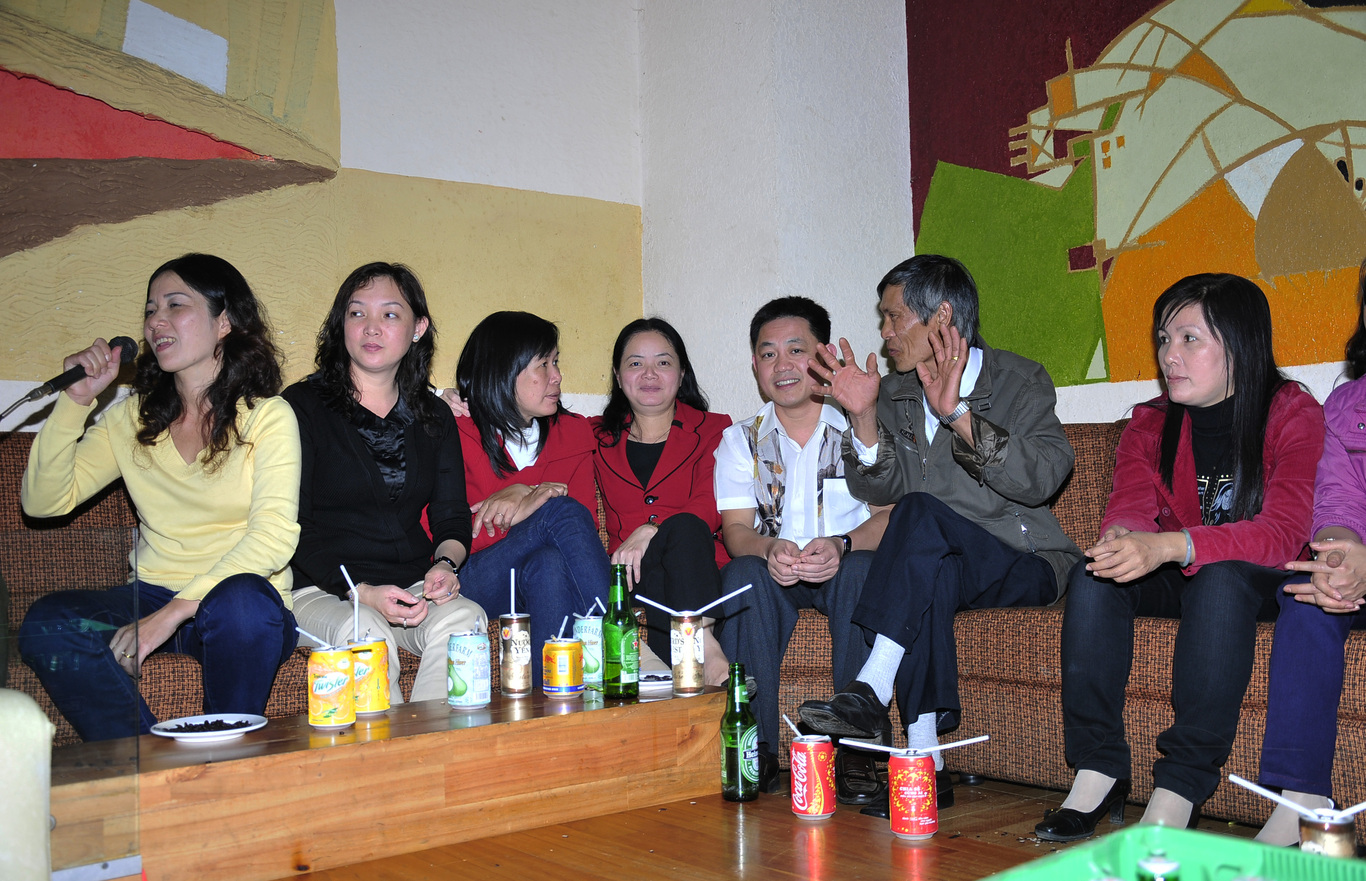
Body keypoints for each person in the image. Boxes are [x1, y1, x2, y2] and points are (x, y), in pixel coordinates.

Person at [1036, 273, 1323, 842]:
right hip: (1184, 573)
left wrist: (1172, 544)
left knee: (1219, 580)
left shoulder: (1292, 412)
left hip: (1266, 583)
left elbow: (1284, 532)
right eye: (1165, 339)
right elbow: (1131, 507)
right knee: (1092, 577)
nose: (1170, 355)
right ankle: (1097, 768)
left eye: (1190, 339)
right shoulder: (1150, 422)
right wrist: (1122, 539)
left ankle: (1181, 787)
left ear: (1239, 345)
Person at [796, 255, 1079, 810]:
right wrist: (863, 417)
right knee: (929, 566)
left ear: (942, 316)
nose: (885, 331)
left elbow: (1044, 478)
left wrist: (958, 417)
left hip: (1024, 558)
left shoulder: (1019, 380)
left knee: (920, 515)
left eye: (894, 316)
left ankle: (872, 685)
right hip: (943, 559)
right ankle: (926, 764)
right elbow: (880, 488)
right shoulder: (897, 393)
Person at [18, 253, 301, 741]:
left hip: (238, 605)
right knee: (48, 622)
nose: (156, 321)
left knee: (243, 603)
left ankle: (224, 753)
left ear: (224, 322)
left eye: (176, 305)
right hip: (148, 593)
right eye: (150, 309)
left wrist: (171, 615)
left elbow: (273, 537)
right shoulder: (131, 419)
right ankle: (152, 764)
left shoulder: (267, 416)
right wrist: (76, 401)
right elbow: (43, 503)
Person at [715, 297, 891, 802]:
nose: (782, 365)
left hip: (846, 564)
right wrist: (769, 548)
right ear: (755, 365)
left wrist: (841, 545)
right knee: (742, 576)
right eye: (768, 354)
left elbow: (892, 515)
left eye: (796, 350)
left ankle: (857, 750)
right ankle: (757, 748)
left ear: (823, 355)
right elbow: (736, 531)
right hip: (777, 575)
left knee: (862, 571)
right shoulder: (740, 440)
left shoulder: (861, 427)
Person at [284, 263, 486, 703]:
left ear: (418, 328)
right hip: (321, 589)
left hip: (408, 587)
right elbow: (291, 524)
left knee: (465, 619)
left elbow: (451, 514)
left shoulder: (433, 415)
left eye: (390, 314)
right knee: (366, 630)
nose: (371, 327)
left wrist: (445, 566)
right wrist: (362, 593)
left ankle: (433, 740)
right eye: (357, 313)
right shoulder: (300, 407)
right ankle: (383, 747)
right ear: (341, 325)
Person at [1255, 258, 1366, 845]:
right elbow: (1337, 496)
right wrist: (1341, 552)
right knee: (1304, 595)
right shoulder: (1348, 404)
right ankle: (1301, 802)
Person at [451, 311, 609, 685]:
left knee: (549, 563)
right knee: (558, 512)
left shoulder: (573, 433)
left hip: (540, 574)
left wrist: (524, 495)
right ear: (504, 371)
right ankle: (619, 642)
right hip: (473, 578)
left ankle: (554, 699)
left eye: (556, 362)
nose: (557, 376)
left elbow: (581, 536)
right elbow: (437, 534)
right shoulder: (454, 432)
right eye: (543, 364)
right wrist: (523, 510)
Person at [591, 318, 732, 685]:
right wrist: (460, 401)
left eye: (663, 362)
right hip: (631, 575)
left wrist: (652, 528)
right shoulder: (594, 435)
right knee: (649, 571)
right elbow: (532, 427)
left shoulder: (715, 428)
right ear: (618, 375)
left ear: (681, 373)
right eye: (635, 363)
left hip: (695, 565)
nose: (649, 374)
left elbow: (709, 502)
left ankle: (697, 648)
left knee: (684, 527)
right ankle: (704, 657)